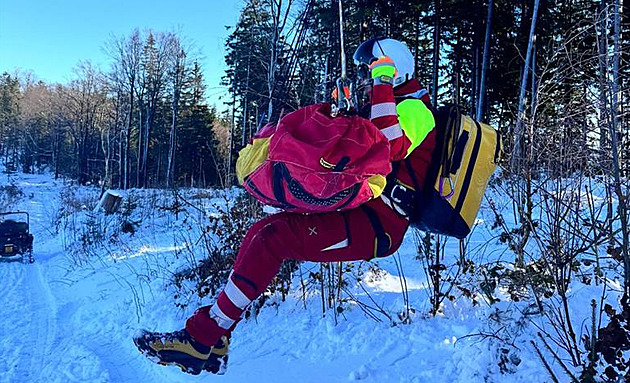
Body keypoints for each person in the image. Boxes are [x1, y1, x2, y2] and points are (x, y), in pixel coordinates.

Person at [134, 37, 437, 375]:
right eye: (368, 72)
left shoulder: (416, 110)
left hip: (378, 225)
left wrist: (381, 85)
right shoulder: (391, 106)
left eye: (373, 69)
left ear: (393, 68)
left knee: (272, 240)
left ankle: (200, 338)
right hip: (361, 211)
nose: (367, 78)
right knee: (262, 231)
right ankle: (213, 339)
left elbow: (389, 145)